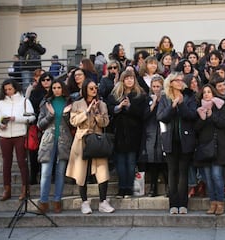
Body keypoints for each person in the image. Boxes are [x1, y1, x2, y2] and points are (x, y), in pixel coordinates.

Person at [66, 80, 115, 214]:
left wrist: (97, 113)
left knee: (102, 170)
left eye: (95, 88)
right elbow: (73, 121)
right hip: (82, 138)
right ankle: (84, 202)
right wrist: (87, 111)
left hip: (97, 139)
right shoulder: (77, 104)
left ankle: (103, 201)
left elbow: (105, 122)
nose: (94, 90)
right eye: (91, 88)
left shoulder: (102, 104)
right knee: (81, 171)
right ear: (85, 89)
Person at [157, 72, 198, 214]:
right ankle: (173, 204)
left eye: (182, 80)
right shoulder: (164, 98)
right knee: (172, 173)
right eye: (177, 80)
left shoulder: (189, 96)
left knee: (183, 173)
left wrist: (181, 105)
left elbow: (192, 115)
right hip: (169, 141)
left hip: (185, 140)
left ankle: (183, 204)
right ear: (171, 83)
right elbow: (161, 117)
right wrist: (172, 106)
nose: (181, 82)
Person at [0, 79, 36, 201]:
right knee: (6, 163)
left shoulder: (24, 101)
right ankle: (7, 189)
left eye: (10, 89)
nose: (8, 92)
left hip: (20, 135)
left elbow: (32, 117)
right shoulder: (1, 103)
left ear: (15, 88)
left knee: (22, 162)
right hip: (4, 136)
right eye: (5, 90)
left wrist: (15, 118)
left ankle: (25, 189)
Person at [106, 70, 146, 198]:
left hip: (134, 134)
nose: (129, 80)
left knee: (130, 162)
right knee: (120, 163)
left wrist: (129, 107)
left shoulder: (140, 95)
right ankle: (121, 188)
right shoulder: (115, 95)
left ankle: (128, 188)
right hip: (119, 134)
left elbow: (142, 113)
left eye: (131, 78)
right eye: (127, 78)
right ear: (122, 80)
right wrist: (119, 107)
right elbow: (109, 109)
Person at [36, 79, 73, 213]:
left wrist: (65, 114)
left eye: (59, 87)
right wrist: (50, 115)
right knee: (45, 173)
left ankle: (57, 200)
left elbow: (73, 124)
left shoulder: (69, 103)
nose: (56, 90)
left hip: (64, 140)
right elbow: (39, 125)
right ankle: (43, 201)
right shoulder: (46, 104)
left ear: (63, 88)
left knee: (60, 173)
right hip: (48, 141)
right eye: (54, 87)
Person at [194, 84, 225, 215]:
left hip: (218, 147)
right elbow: (196, 128)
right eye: (204, 93)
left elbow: (223, 123)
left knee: (216, 176)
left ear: (213, 93)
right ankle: (212, 202)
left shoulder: (220, 106)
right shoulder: (199, 109)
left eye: (209, 92)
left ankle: (220, 202)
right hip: (204, 148)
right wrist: (202, 119)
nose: (207, 94)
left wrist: (212, 115)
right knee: (208, 178)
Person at [139, 75, 168, 197]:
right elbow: (144, 116)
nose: (156, 89)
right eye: (154, 86)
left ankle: (168, 187)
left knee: (164, 161)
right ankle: (153, 187)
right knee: (152, 161)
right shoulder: (147, 99)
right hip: (150, 132)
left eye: (158, 86)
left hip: (163, 131)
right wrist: (153, 104)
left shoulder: (166, 98)